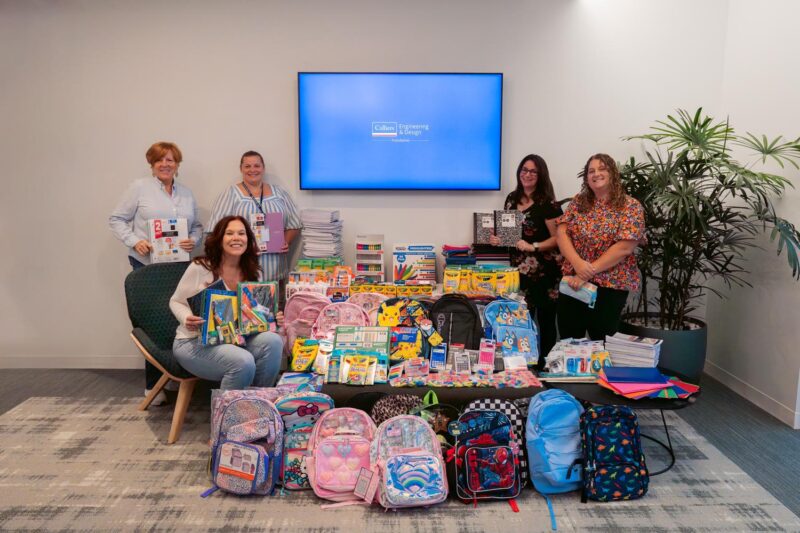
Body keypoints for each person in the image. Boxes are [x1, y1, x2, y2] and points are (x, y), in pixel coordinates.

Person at [109, 141, 203, 405]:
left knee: (177, 318)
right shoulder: (139, 188)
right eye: (160, 160)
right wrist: (134, 241)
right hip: (147, 265)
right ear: (152, 164)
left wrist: (193, 241)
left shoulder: (186, 193)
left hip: (178, 266)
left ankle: (176, 373)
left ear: (177, 164)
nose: (165, 165)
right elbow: (116, 219)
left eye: (170, 160)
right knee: (152, 322)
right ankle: (153, 385)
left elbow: (197, 226)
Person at [170, 216, 285, 390]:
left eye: (241, 233)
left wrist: (272, 317)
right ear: (219, 239)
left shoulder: (253, 272)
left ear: (248, 239)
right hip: (193, 342)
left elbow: (254, 315)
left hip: (233, 339)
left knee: (274, 341)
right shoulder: (200, 267)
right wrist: (186, 317)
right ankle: (229, 414)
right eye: (229, 233)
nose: (236, 238)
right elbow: (176, 301)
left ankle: (259, 403)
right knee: (243, 361)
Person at [555, 153, 645, 341]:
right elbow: (562, 233)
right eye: (591, 171)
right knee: (569, 341)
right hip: (573, 283)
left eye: (602, 169)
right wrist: (578, 264)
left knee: (601, 344)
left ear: (613, 173)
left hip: (609, 287)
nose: (596, 174)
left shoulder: (630, 206)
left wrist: (585, 272)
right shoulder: (579, 202)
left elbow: (624, 248)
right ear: (586, 178)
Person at [489, 154, 562, 366]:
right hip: (518, 273)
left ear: (540, 175)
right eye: (524, 169)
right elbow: (510, 235)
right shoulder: (512, 198)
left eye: (532, 171)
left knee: (546, 322)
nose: (527, 174)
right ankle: (524, 364)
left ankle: (545, 366)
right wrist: (497, 239)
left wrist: (534, 246)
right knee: (520, 321)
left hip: (545, 272)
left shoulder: (547, 203)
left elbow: (559, 238)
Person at [207, 151, 302, 288]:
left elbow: (295, 223)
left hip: (276, 271)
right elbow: (214, 231)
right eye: (247, 166)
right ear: (241, 169)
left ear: (263, 168)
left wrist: (286, 241)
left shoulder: (279, 193)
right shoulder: (231, 194)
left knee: (277, 308)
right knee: (246, 308)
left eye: (257, 166)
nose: (252, 170)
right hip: (242, 272)